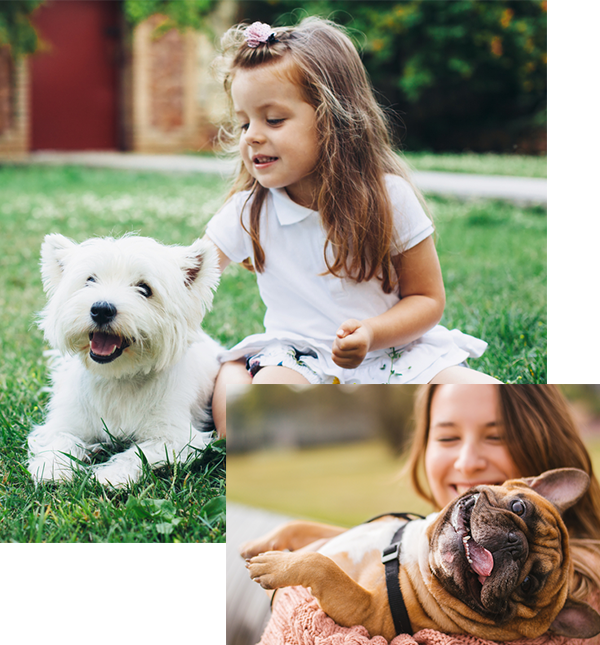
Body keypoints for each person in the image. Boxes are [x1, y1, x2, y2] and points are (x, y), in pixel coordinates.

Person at [205, 18, 500, 437]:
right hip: (299, 360)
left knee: (495, 401)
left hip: (395, 353)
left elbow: (427, 298)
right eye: (244, 123)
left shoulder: (389, 198)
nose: (251, 137)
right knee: (248, 424)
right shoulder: (247, 210)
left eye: (273, 120)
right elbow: (188, 275)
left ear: (333, 120)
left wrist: (372, 333)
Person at [245, 384, 600, 644]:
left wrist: (287, 589)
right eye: (447, 438)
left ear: (543, 441)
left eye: (496, 437)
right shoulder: (428, 538)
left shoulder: (578, 592)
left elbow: (301, 634)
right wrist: (298, 536)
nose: (467, 462)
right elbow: (368, 546)